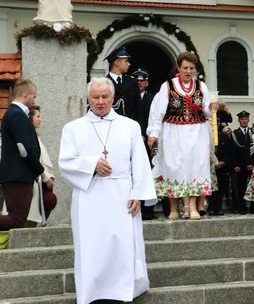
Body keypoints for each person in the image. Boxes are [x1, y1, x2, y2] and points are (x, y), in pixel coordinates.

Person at [58, 77, 156, 304]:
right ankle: (92, 291)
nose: (100, 102)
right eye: (95, 97)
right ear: (88, 99)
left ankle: (122, 290)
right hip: (89, 196)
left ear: (113, 98)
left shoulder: (130, 126)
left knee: (121, 245)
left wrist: (138, 194)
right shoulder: (72, 128)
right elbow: (65, 162)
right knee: (91, 245)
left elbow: (140, 162)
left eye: (105, 97)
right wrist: (91, 164)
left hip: (122, 194)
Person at [147, 51, 216, 220]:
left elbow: (206, 112)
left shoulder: (201, 86)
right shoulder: (168, 86)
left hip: (197, 132)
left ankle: (192, 206)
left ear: (195, 69)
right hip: (173, 132)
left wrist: (213, 108)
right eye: (185, 67)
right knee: (174, 167)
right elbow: (158, 111)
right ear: (179, 67)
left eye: (191, 68)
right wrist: (153, 133)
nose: (188, 71)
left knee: (195, 166)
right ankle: (174, 208)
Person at [2, 105, 58, 224]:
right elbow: (31, 158)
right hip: (25, 182)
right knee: (17, 221)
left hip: (34, 184)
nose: (40, 119)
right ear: (29, 118)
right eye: (37, 116)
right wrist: (45, 176)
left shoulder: (36, 137)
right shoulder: (26, 137)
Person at [0, 79, 43, 231]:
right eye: (34, 96)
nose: (34, 99)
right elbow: (25, 149)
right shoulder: (16, 114)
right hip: (18, 175)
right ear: (26, 94)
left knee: (17, 219)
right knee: (17, 219)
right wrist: (39, 170)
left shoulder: (15, 113)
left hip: (17, 175)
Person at [133, 69, 156, 220]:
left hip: (148, 142)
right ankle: (136, 206)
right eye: (137, 81)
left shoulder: (152, 99)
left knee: (149, 173)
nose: (139, 84)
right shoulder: (128, 98)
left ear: (147, 83)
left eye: (142, 81)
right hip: (133, 141)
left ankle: (148, 209)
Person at [228, 110, 254, 214]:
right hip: (240, 165)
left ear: (248, 120)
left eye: (246, 119)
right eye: (242, 119)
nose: (244, 121)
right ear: (238, 120)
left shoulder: (253, 132)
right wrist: (235, 165)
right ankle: (241, 207)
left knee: (253, 187)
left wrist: (251, 163)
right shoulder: (235, 133)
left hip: (251, 165)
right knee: (241, 187)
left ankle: (253, 207)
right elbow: (232, 151)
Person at [104, 46, 138, 118]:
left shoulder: (132, 82)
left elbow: (137, 107)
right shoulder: (104, 83)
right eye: (126, 61)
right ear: (117, 62)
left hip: (129, 125)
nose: (129, 64)